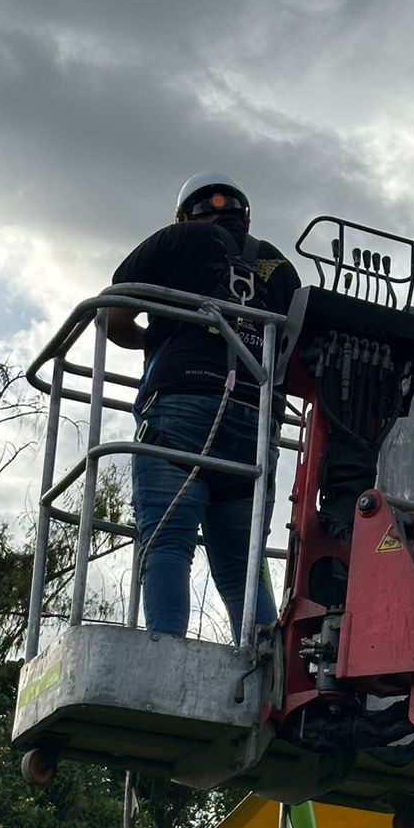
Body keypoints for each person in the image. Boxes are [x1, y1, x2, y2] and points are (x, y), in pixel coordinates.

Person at [105, 172, 300, 642]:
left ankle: (165, 653)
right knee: (242, 569)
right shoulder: (280, 268)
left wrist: (158, 338)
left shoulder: (176, 240)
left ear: (183, 214)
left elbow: (113, 316)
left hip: (182, 407)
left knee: (167, 543)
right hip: (256, 426)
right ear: (245, 217)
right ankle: (263, 669)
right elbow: (295, 355)